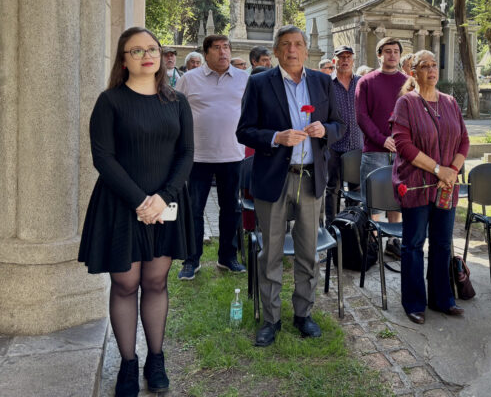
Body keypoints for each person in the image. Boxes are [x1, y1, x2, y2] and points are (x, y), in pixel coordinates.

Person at [78, 27, 194, 396]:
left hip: (167, 204)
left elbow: (186, 154)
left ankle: (155, 359)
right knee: (126, 284)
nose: (147, 55)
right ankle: (128, 363)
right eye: (137, 50)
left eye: (153, 49)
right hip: (121, 204)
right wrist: (140, 202)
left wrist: (162, 197)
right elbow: (103, 157)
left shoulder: (177, 102)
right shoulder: (110, 101)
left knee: (156, 282)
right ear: (123, 59)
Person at [236, 25, 344, 347]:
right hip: (273, 179)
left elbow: (340, 125)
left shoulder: (323, 81)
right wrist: (275, 137)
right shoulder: (259, 83)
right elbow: (244, 131)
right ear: (277, 50)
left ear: (306, 48)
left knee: (307, 252)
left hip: (311, 179)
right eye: (285, 44)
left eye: (298, 44)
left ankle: (303, 314)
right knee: (270, 252)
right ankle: (270, 320)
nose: (292, 50)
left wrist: (325, 130)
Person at [391, 50, 469, 324]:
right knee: (413, 244)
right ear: (414, 73)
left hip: (446, 186)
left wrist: (452, 171)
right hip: (416, 185)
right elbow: (403, 145)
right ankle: (414, 302)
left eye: (435, 65)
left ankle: (442, 299)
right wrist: (438, 169)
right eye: (425, 66)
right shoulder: (406, 103)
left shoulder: (450, 102)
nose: (432, 70)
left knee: (442, 243)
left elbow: (464, 142)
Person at [176, 34, 249, 280]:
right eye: (217, 48)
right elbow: (176, 112)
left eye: (226, 47)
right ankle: (191, 259)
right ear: (206, 53)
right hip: (198, 157)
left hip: (232, 154)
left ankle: (228, 257)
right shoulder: (189, 79)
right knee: (194, 210)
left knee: (231, 209)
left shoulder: (244, 79)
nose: (223, 52)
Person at [356, 36, 408, 258]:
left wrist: (400, 140)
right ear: (379, 55)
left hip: (401, 151)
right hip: (374, 150)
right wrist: (381, 139)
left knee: (397, 198)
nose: (392, 55)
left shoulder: (407, 81)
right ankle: (373, 241)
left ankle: (394, 241)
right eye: (388, 51)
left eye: (396, 51)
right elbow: (362, 116)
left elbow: (410, 115)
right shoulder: (366, 82)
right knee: (375, 201)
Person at [324, 45, 363, 225]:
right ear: (335, 61)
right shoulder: (327, 84)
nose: (345, 60)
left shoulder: (361, 83)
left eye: (348, 57)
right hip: (334, 144)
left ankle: (352, 226)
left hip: (356, 144)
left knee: (355, 188)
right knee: (333, 187)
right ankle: (332, 226)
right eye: (341, 57)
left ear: (353, 60)